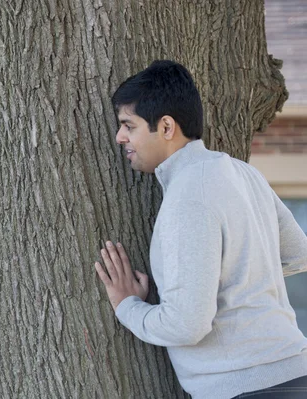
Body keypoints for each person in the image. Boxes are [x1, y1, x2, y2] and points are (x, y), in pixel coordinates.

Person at [94, 60, 307, 398]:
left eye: (128, 126)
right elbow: (297, 253)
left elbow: (187, 324)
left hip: (247, 387)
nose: (120, 138)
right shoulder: (240, 172)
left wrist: (127, 307)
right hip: (295, 376)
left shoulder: (188, 196)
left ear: (165, 127)